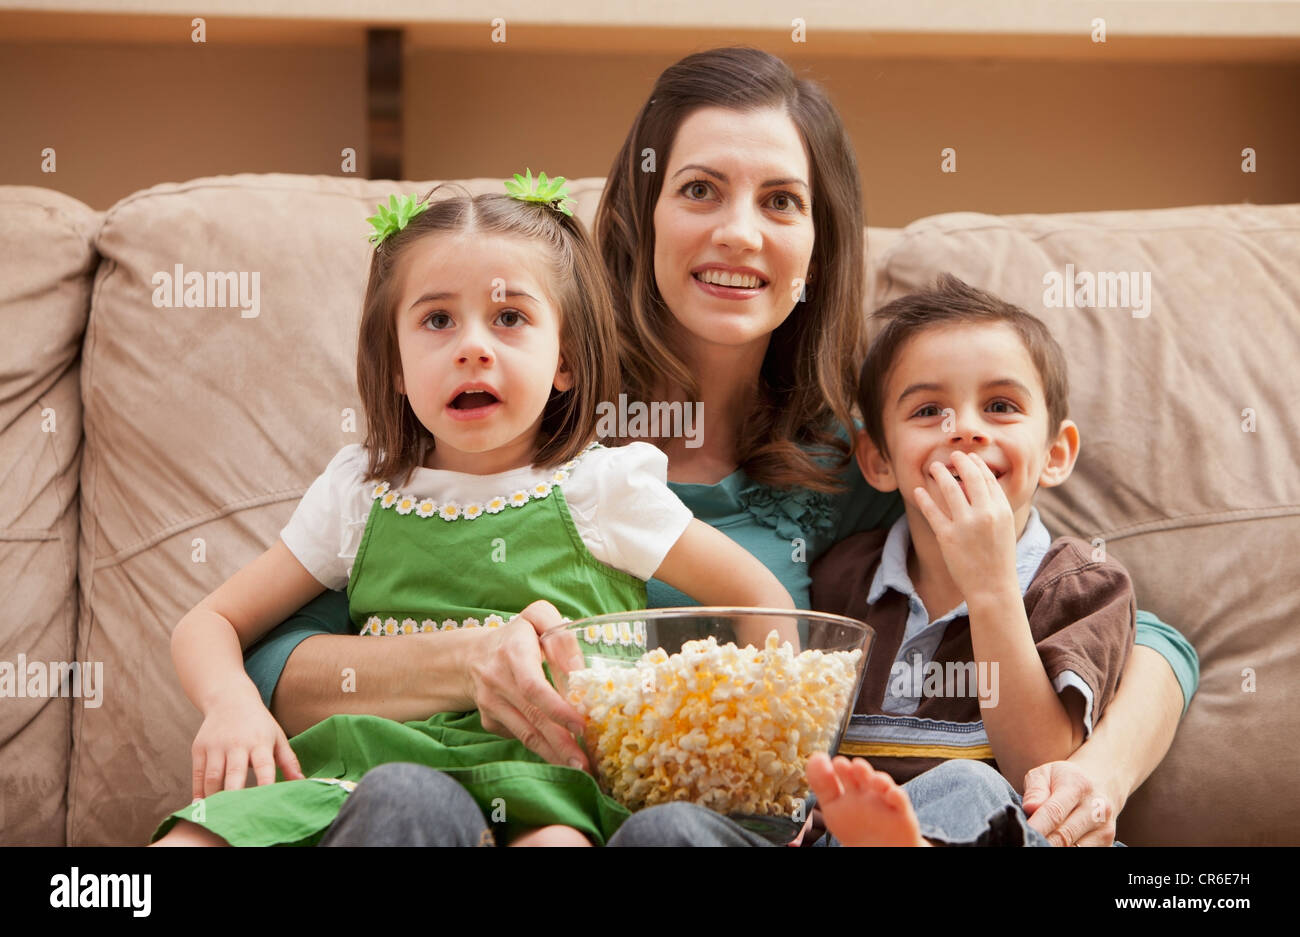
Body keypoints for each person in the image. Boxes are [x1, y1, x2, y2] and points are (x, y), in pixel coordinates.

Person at [247, 47, 1198, 847]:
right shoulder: (526, 413)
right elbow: (279, 658)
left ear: (819, 249)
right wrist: (465, 661)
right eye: (700, 189)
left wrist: (1094, 773)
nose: (739, 233)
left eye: (782, 201)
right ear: (636, 218)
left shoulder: (855, 464)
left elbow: (1129, 627)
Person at [149, 179, 794, 847]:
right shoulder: (360, 492)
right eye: (437, 321)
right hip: (362, 773)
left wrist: (763, 758)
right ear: (395, 366)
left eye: (510, 317)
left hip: (541, 785)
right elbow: (210, 620)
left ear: (565, 359)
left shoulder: (603, 487)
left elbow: (758, 597)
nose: (473, 347)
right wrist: (232, 703)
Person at [804, 274, 1135, 846]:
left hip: (999, 829)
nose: (965, 431)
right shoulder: (840, 580)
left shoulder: (1083, 585)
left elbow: (1039, 770)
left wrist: (990, 588)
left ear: (1055, 454)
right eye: (930, 410)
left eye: (1000, 406)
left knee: (969, 787)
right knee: (669, 825)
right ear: (879, 460)